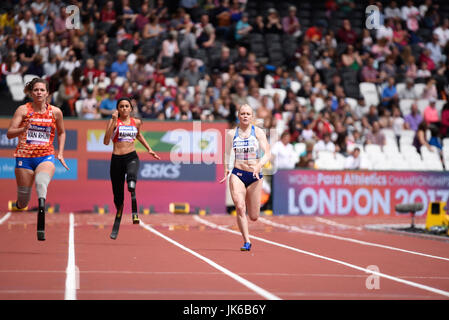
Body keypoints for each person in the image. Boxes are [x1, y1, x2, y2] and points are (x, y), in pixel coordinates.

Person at [6, 78, 69, 241]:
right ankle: (20, 204)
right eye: (36, 90)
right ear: (31, 92)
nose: (39, 93)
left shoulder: (55, 112)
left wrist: (60, 152)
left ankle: (41, 206)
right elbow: (9, 133)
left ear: (47, 93)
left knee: (41, 182)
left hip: (45, 156)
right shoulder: (23, 110)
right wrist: (23, 128)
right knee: (23, 201)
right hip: (24, 158)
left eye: (42, 90)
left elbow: (62, 132)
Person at [103, 97, 160, 239]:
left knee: (131, 181)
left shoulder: (137, 122)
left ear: (131, 108)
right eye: (121, 106)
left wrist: (149, 149)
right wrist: (113, 122)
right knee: (118, 197)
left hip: (131, 157)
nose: (124, 108)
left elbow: (139, 135)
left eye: (126, 106)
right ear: (117, 109)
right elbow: (105, 142)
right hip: (116, 160)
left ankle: (133, 195)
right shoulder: (113, 122)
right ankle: (120, 211)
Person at [219, 104, 271, 251]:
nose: (245, 116)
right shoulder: (231, 134)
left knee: (254, 216)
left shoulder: (258, 132)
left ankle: (250, 211)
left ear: (252, 116)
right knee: (240, 207)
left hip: (255, 175)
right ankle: (246, 241)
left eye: (248, 113)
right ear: (238, 116)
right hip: (238, 174)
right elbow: (227, 154)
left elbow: (267, 153)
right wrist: (226, 169)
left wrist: (259, 165)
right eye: (242, 113)